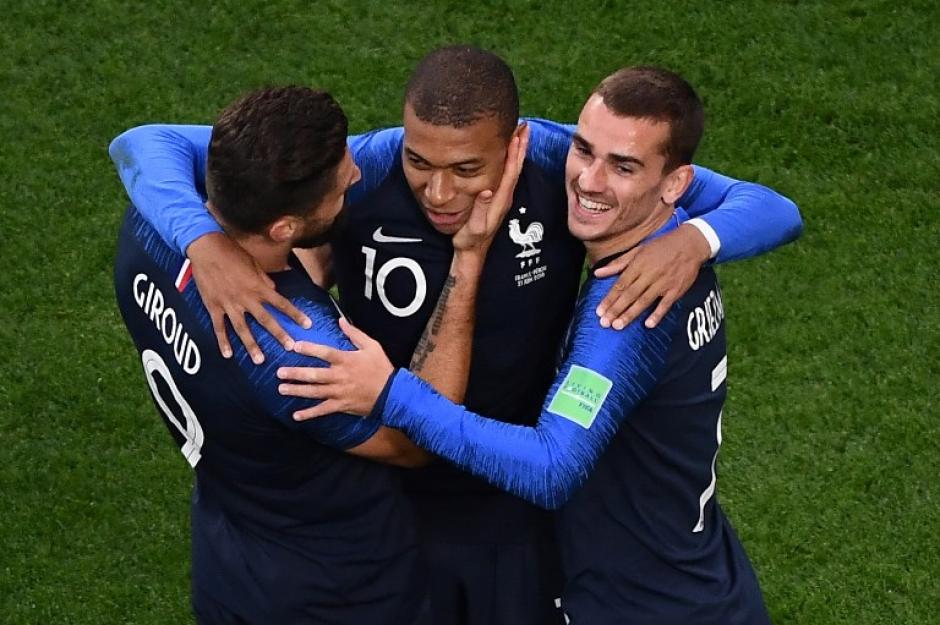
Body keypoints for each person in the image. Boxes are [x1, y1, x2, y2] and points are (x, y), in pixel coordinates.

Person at [109, 46, 800, 625]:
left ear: (516, 142)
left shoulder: (567, 185)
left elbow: (772, 206)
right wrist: (203, 240)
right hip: (401, 513)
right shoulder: (364, 167)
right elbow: (144, 142)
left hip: (515, 515)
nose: (438, 192)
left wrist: (696, 239)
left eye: (467, 170)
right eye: (420, 163)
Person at [283, 66, 774, 625]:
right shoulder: (678, 259)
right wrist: (699, 237)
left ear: (674, 184)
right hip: (701, 570)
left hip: (644, 602)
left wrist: (390, 393)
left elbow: (549, 468)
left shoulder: (628, 309)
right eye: (583, 150)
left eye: (623, 167)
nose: (589, 181)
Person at [113, 85, 523, 625]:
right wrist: (468, 260)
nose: (355, 175)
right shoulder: (292, 346)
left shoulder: (150, 227)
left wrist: (204, 240)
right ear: (283, 227)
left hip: (232, 557)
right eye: (341, 181)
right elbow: (418, 438)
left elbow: (142, 143)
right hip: (336, 591)